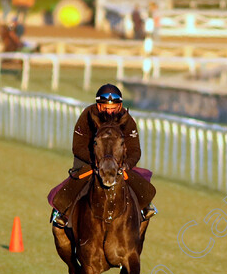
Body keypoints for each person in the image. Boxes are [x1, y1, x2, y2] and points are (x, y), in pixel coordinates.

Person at [48, 84, 157, 228]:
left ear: (120, 106)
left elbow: (135, 150)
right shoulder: (87, 115)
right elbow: (78, 146)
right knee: (79, 179)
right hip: (88, 161)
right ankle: (61, 212)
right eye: (106, 108)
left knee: (134, 180)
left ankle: (145, 206)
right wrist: (96, 162)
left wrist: (127, 164)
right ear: (99, 106)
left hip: (118, 163)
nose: (110, 112)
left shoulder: (127, 119)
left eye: (114, 108)